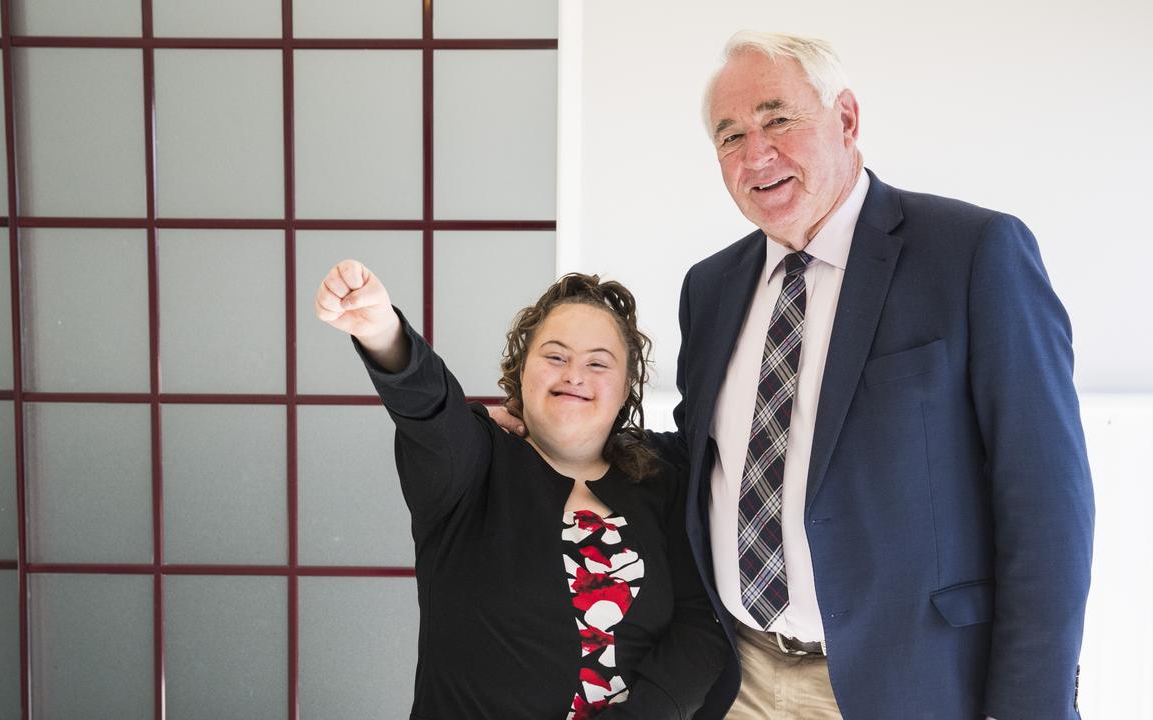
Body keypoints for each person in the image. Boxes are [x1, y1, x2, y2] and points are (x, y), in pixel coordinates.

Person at [491, 30, 1094, 720]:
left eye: (778, 119)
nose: (756, 154)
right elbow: (709, 457)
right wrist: (564, 433)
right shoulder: (712, 286)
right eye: (730, 136)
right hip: (738, 677)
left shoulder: (972, 255)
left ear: (846, 119)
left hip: (909, 684)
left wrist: (1033, 706)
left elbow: (1047, 503)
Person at [314, 260, 731, 719]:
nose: (575, 374)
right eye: (555, 356)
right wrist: (383, 332)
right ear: (521, 367)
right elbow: (431, 409)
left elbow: (699, 630)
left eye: (598, 363)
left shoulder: (659, 483)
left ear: (626, 386)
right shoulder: (474, 463)